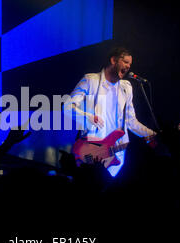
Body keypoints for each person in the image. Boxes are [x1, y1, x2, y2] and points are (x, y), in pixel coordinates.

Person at [64, 47, 156, 177]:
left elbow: (131, 121)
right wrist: (87, 117)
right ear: (113, 60)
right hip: (92, 151)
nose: (128, 66)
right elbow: (67, 107)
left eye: (130, 64)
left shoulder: (126, 88)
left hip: (117, 154)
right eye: (125, 62)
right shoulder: (91, 81)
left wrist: (153, 134)